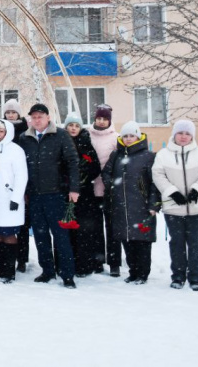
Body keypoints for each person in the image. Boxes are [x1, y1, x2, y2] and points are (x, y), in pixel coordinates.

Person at [16, 103, 80, 289]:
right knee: (41, 236)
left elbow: (73, 162)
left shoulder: (60, 135)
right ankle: (47, 271)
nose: (37, 120)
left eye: (40, 116)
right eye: (34, 117)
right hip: (34, 196)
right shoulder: (24, 138)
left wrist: (73, 189)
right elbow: (21, 168)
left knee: (61, 236)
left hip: (56, 195)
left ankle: (67, 274)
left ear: (48, 117)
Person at [152, 119, 198, 291]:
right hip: (173, 207)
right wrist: (172, 192)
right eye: (180, 133)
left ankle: (195, 277)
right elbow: (158, 175)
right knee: (177, 243)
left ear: (192, 136)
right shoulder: (163, 155)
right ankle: (178, 276)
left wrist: (197, 190)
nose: (183, 136)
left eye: (187, 133)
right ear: (174, 134)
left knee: (196, 243)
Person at [101, 121, 159, 284]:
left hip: (141, 206)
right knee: (127, 240)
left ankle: (143, 273)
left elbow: (155, 183)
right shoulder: (117, 155)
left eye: (131, 135)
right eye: (125, 136)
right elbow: (106, 173)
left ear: (138, 136)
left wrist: (153, 204)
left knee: (142, 241)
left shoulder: (148, 157)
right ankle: (133, 271)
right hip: (121, 206)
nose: (128, 139)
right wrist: (112, 185)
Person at [0, 118, 28, 283]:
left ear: (7, 132)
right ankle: (1, 268)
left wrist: (16, 197)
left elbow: (21, 175)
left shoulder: (15, 150)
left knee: (9, 234)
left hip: (9, 199)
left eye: (1, 131)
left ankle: (10, 270)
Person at [63, 112, 103, 278]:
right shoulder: (61, 141)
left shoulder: (86, 143)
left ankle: (84, 264)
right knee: (66, 229)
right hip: (65, 191)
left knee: (84, 230)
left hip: (84, 193)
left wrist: (83, 176)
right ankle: (66, 263)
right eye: (71, 125)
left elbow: (95, 167)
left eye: (76, 125)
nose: (73, 128)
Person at [2, 98, 30, 273]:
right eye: (8, 112)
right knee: (6, 225)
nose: (11, 115)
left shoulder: (25, 132)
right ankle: (7, 259)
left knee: (23, 225)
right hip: (4, 185)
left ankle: (22, 258)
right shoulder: (0, 130)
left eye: (13, 112)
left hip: (21, 183)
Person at [88, 104, 116, 275]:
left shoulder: (115, 138)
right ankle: (97, 260)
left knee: (112, 228)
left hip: (109, 189)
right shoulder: (87, 134)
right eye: (99, 118)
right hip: (91, 189)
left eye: (105, 119)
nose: (101, 121)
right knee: (95, 228)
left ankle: (114, 263)